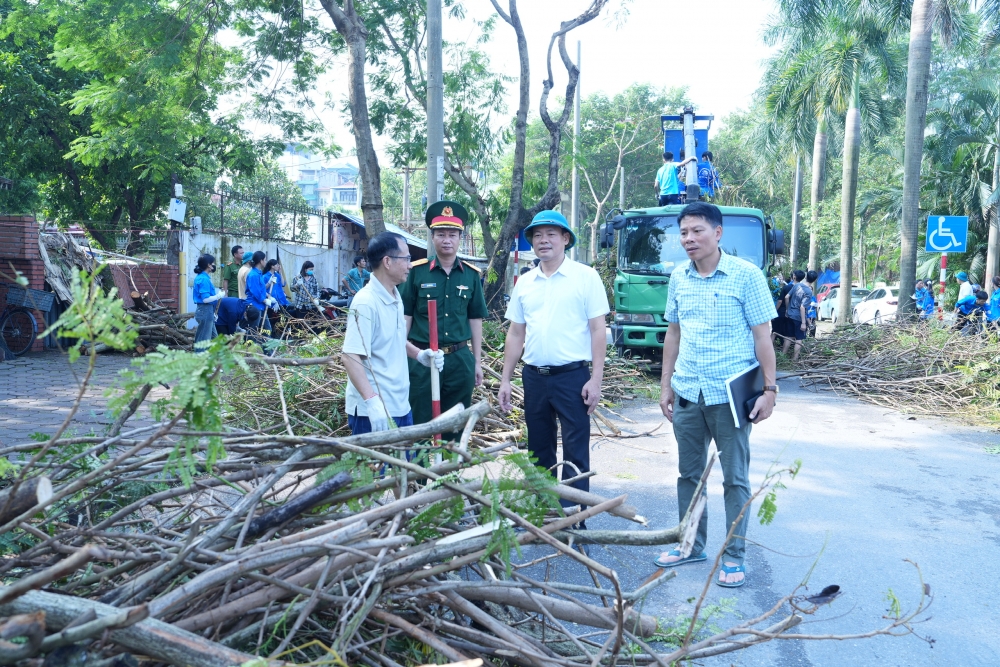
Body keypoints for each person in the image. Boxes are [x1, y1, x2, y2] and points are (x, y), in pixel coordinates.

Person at [653, 201, 778, 588]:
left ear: (718, 233)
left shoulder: (746, 275)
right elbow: (673, 334)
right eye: (684, 232)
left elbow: (763, 336)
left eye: (697, 231)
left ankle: (735, 556)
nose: (689, 239)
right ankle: (690, 545)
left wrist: (770, 389)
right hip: (689, 389)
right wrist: (666, 384)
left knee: (735, 479)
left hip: (731, 394)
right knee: (689, 475)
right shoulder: (678, 278)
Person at [498, 210, 610, 511]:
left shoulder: (585, 277)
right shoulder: (526, 282)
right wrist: (506, 379)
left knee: (575, 448)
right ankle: (544, 511)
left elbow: (598, 330)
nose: (543, 240)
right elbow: (516, 334)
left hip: (573, 377)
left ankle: (575, 514)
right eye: (537, 235)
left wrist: (595, 378)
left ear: (565, 239)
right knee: (538, 446)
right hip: (534, 377)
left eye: (550, 234)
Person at [402, 201, 489, 442]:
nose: (446, 239)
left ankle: (449, 478)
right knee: (419, 422)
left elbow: (475, 319)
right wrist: (403, 356)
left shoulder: (471, 275)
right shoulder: (416, 273)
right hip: (422, 358)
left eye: (452, 234)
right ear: (432, 237)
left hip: (459, 360)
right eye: (441, 234)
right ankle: (420, 479)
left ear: (460, 237)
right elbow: (405, 318)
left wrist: (477, 362)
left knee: (455, 424)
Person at [341, 232, 431, 434]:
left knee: (403, 466)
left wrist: (419, 354)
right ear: (387, 262)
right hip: (375, 412)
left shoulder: (395, 296)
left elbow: (394, 338)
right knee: (376, 466)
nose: (410, 264)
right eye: (406, 258)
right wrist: (371, 400)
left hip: (400, 404)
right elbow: (350, 355)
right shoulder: (366, 302)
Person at [191, 254, 223, 350]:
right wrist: (218, 296)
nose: (214, 265)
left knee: (214, 339)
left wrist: (212, 313)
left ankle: (216, 362)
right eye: (212, 263)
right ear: (209, 265)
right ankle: (200, 362)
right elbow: (205, 299)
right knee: (203, 342)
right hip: (205, 310)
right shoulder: (203, 279)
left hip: (208, 311)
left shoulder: (203, 277)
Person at [781, 270, 811, 361]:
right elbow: (802, 307)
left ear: (806, 277)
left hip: (790, 315)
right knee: (799, 338)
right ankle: (795, 359)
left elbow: (786, 297)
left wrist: (787, 309)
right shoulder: (808, 292)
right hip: (798, 317)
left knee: (788, 336)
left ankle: (782, 356)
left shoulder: (797, 285)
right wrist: (803, 323)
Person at [245, 251, 275, 332]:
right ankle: (251, 344)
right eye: (265, 260)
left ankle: (263, 344)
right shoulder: (253, 275)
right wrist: (264, 300)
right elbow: (255, 292)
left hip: (260, 305)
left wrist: (268, 297)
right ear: (261, 261)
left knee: (267, 329)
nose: (266, 261)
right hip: (255, 306)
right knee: (253, 331)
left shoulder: (259, 273)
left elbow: (261, 289)